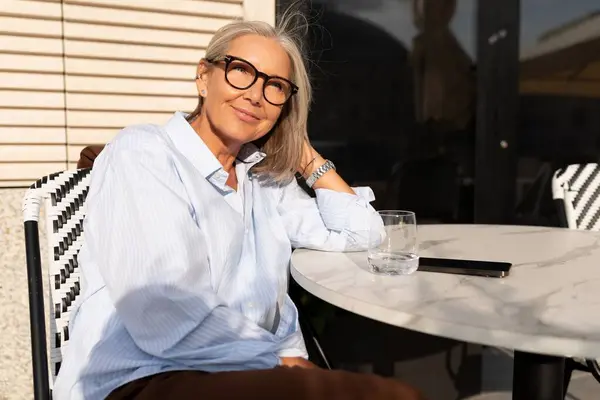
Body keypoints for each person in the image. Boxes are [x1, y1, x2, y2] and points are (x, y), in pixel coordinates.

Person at [54, 13, 425, 400]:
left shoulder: (263, 179)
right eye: (241, 71)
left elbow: (360, 233)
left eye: (276, 86)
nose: (255, 95)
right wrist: (279, 364)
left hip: (244, 372)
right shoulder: (144, 153)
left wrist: (306, 157)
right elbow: (165, 315)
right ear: (203, 76)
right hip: (145, 377)